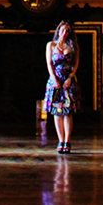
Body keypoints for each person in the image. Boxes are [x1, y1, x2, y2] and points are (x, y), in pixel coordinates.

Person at [44, 21, 81, 154]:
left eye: (67, 31)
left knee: (68, 111)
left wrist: (70, 77)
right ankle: (60, 140)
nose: (64, 33)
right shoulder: (51, 45)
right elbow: (49, 63)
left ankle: (67, 140)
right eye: (62, 30)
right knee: (57, 112)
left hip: (68, 81)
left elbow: (76, 64)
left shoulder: (73, 46)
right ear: (58, 31)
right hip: (55, 81)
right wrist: (54, 79)